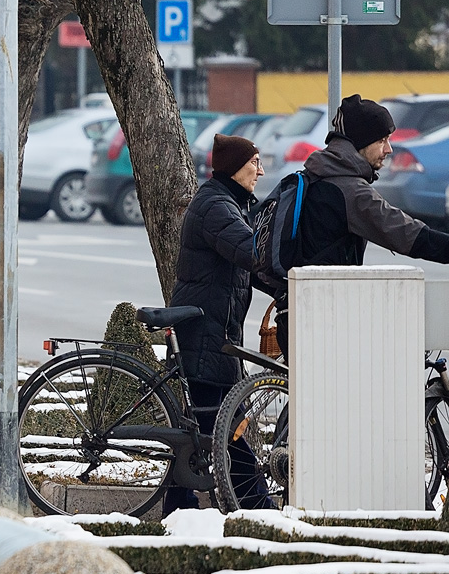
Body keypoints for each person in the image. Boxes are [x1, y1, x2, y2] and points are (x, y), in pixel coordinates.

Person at [276, 94, 449, 350]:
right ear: (360, 143)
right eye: (382, 140)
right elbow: (406, 234)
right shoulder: (350, 190)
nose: (389, 149)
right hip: (327, 320)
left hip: (296, 312)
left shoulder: (314, 176)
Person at [164, 134, 273, 515]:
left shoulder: (227, 204)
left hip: (211, 331)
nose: (261, 170)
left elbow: (249, 267)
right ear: (233, 167)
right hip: (205, 334)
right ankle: (256, 504)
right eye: (254, 162)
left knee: (205, 425)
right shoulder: (217, 207)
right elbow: (251, 252)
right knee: (227, 423)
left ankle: (180, 504)